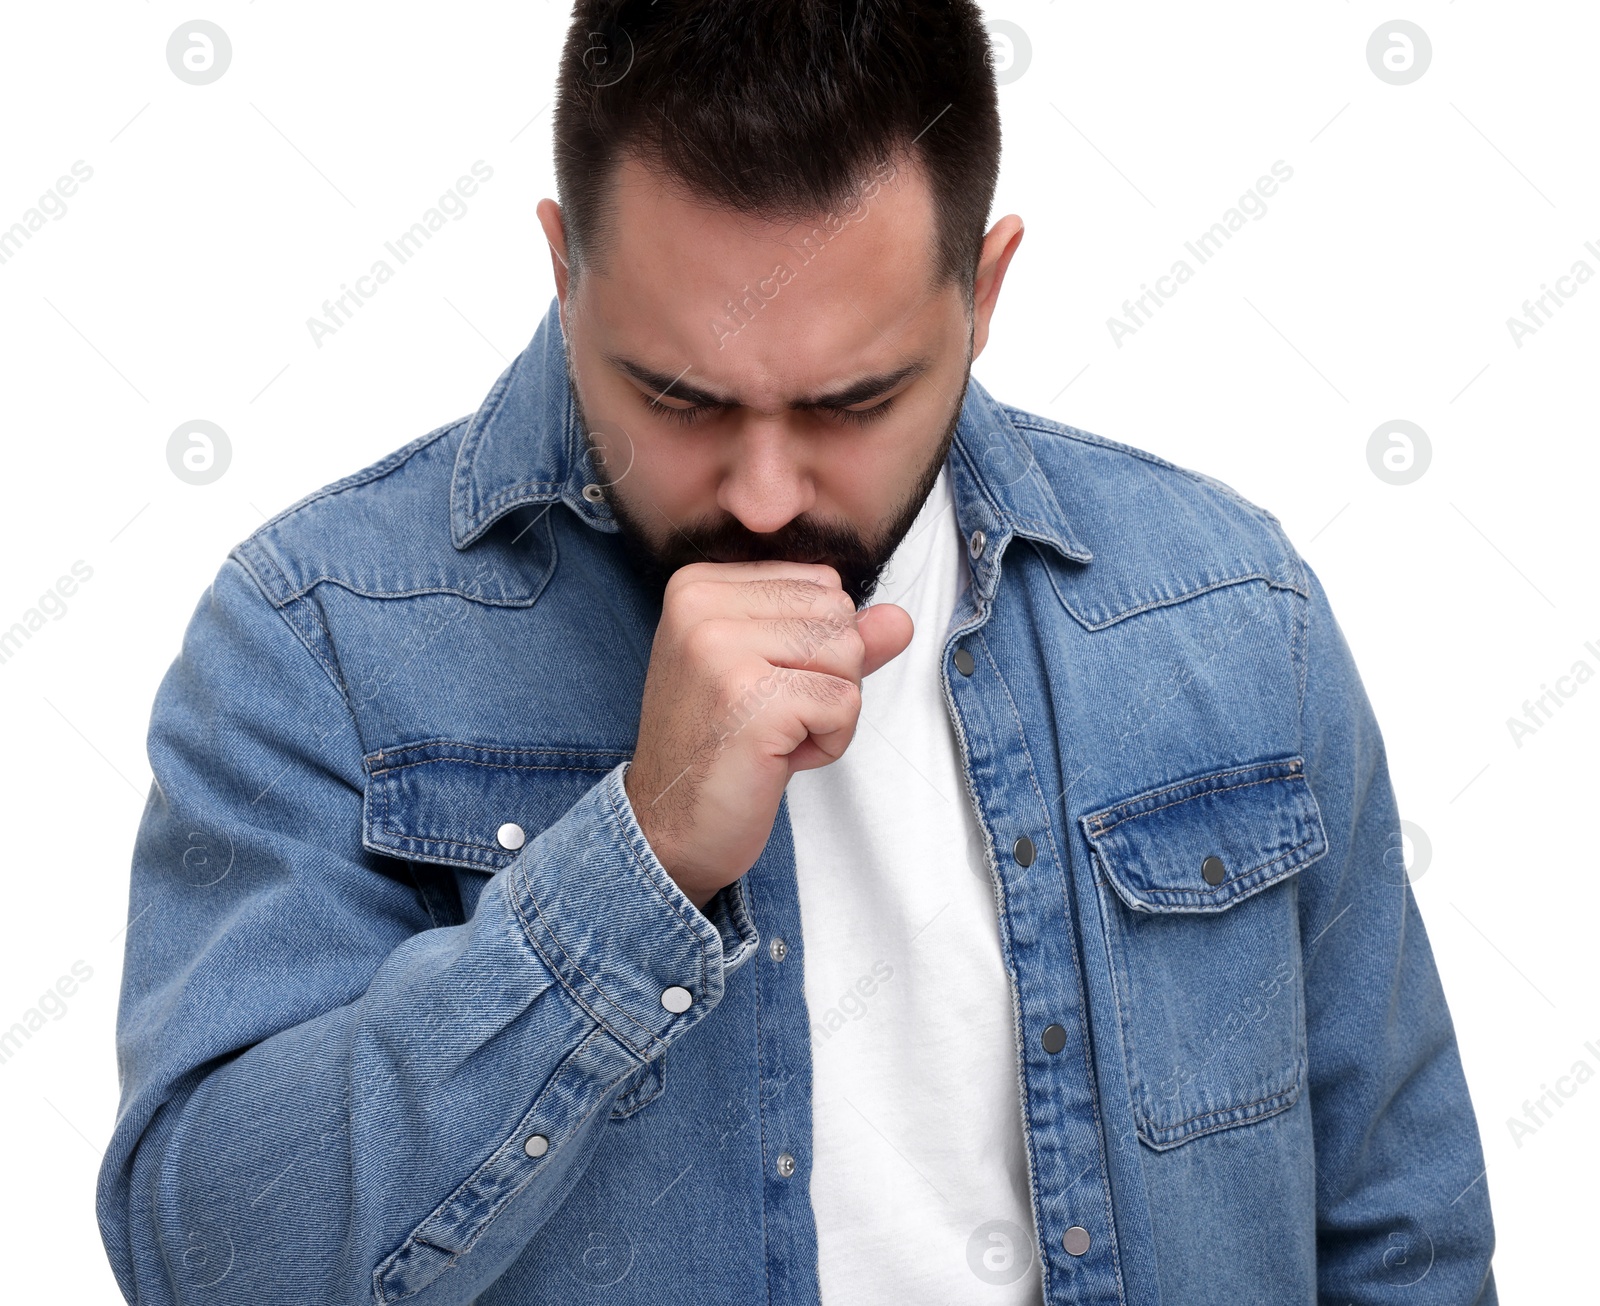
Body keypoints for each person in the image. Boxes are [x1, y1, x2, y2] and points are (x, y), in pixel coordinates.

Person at [96, 2, 1497, 1302]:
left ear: (985, 291)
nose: (765, 492)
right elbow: (204, 1258)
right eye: (680, 396)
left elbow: (1403, 1238)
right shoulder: (320, 635)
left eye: (853, 400)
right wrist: (634, 863)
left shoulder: (1229, 611)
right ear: (562, 270)